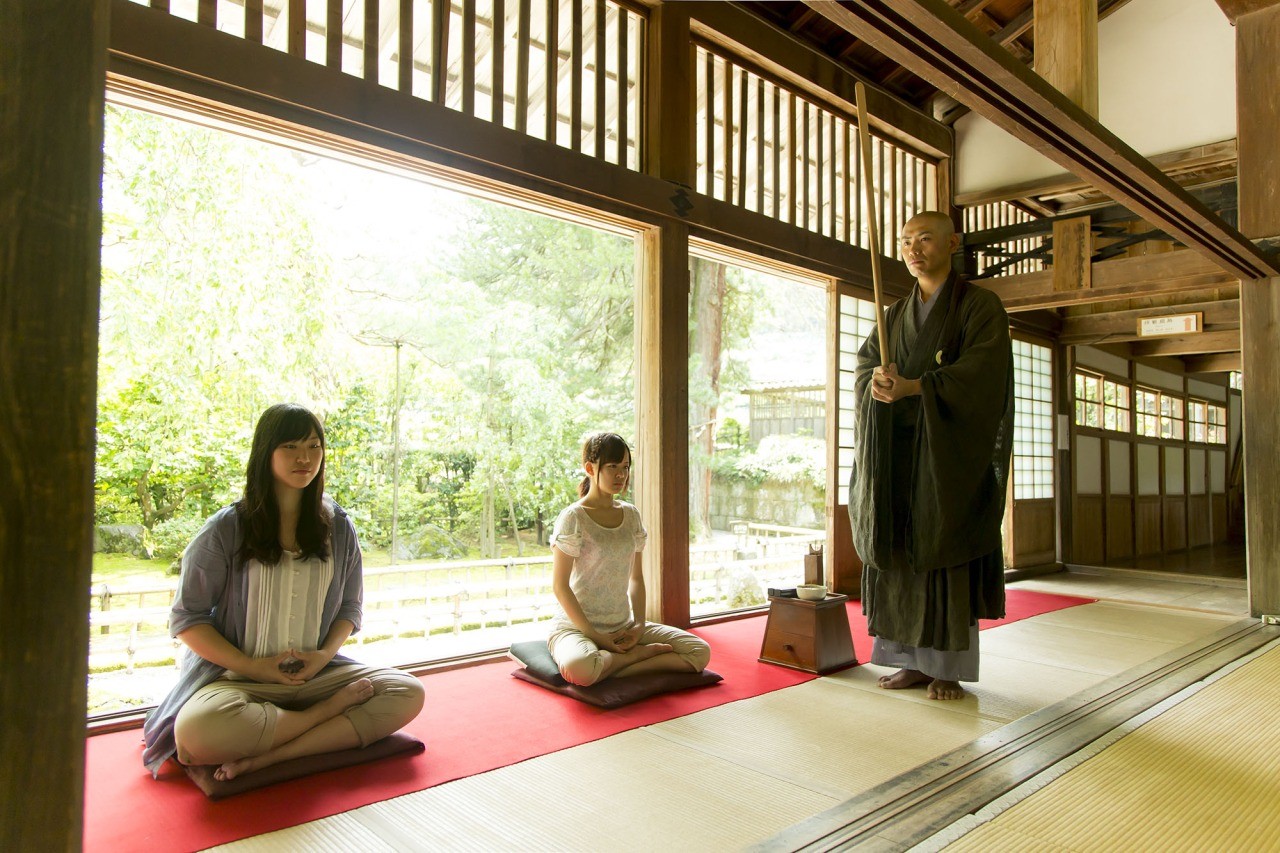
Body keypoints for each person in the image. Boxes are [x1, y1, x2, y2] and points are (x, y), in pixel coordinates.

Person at [142, 403, 425, 779]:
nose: (304, 458)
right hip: (240, 681)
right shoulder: (226, 529)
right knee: (196, 733)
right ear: (266, 452)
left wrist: (322, 656)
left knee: (407, 692)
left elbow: (349, 608)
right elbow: (187, 619)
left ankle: (269, 756)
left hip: (316, 676)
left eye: (313, 446)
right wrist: (253, 667)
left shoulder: (339, 527)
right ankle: (322, 717)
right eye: (290, 446)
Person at [849, 211, 1013, 701]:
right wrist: (877, 383)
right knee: (900, 552)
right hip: (897, 455)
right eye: (905, 242)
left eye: (924, 238)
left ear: (952, 243)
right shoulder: (894, 315)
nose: (913, 250)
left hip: (945, 458)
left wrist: (918, 386)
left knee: (943, 549)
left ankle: (946, 668)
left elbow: (983, 373)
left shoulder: (979, 305)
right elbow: (865, 364)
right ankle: (908, 662)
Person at [548, 432, 711, 685]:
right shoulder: (574, 517)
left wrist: (639, 625)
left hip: (622, 626)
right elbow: (560, 586)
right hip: (577, 628)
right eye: (612, 467)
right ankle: (637, 657)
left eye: (625, 467)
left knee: (699, 651)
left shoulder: (631, 515)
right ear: (590, 468)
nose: (621, 475)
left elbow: (636, 579)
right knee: (579, 668)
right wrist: (595, 636)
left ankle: (614, 665)